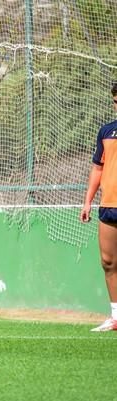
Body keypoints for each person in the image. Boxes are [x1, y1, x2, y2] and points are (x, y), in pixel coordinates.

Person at [80, 83, 117, 332]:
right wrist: (87, 201)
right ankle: (116, 316)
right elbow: (98, 168)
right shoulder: (107, 131)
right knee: (108, 262)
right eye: (116, 100)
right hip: (109, 206)